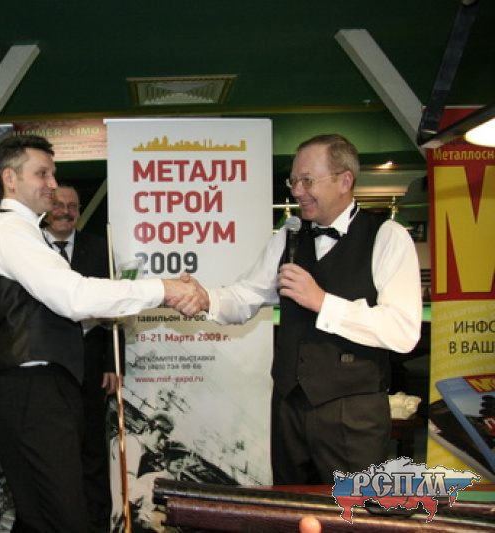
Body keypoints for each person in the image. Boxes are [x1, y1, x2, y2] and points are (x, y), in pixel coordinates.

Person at [0, 134, 204, 532]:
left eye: (53, 174)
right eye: (42, 174)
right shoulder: (9, 230)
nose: (52, 184)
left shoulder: (25, 233)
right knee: (64, 516)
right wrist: (162, 289)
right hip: (31, 392)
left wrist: (113, 309)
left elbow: (60, 310)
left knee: (41, 517)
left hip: (38, 390)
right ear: (10, 178)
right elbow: (74, 296)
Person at [174, 134, 422, 484]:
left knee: (355, 509)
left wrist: (321, 301)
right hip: (289, 407)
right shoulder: (287, 238)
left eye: (307, 180)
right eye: (293, 181)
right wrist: (206, 298)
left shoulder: (388, 236)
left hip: (354, 414)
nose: (297, 191)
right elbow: (246, 295)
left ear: (344, 181)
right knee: (290, 505)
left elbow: (403, 331)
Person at [44, 183, 119, 532]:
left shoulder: (99, 249)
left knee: (92, 450)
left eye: (72, 206)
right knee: (54, 451)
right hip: (46, 368)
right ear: (46, 208)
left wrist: (112, 363)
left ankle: (97, 523)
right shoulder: (31, 248)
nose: (65, 211)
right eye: (58, 204)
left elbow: (114, 307)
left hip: (91, 366)